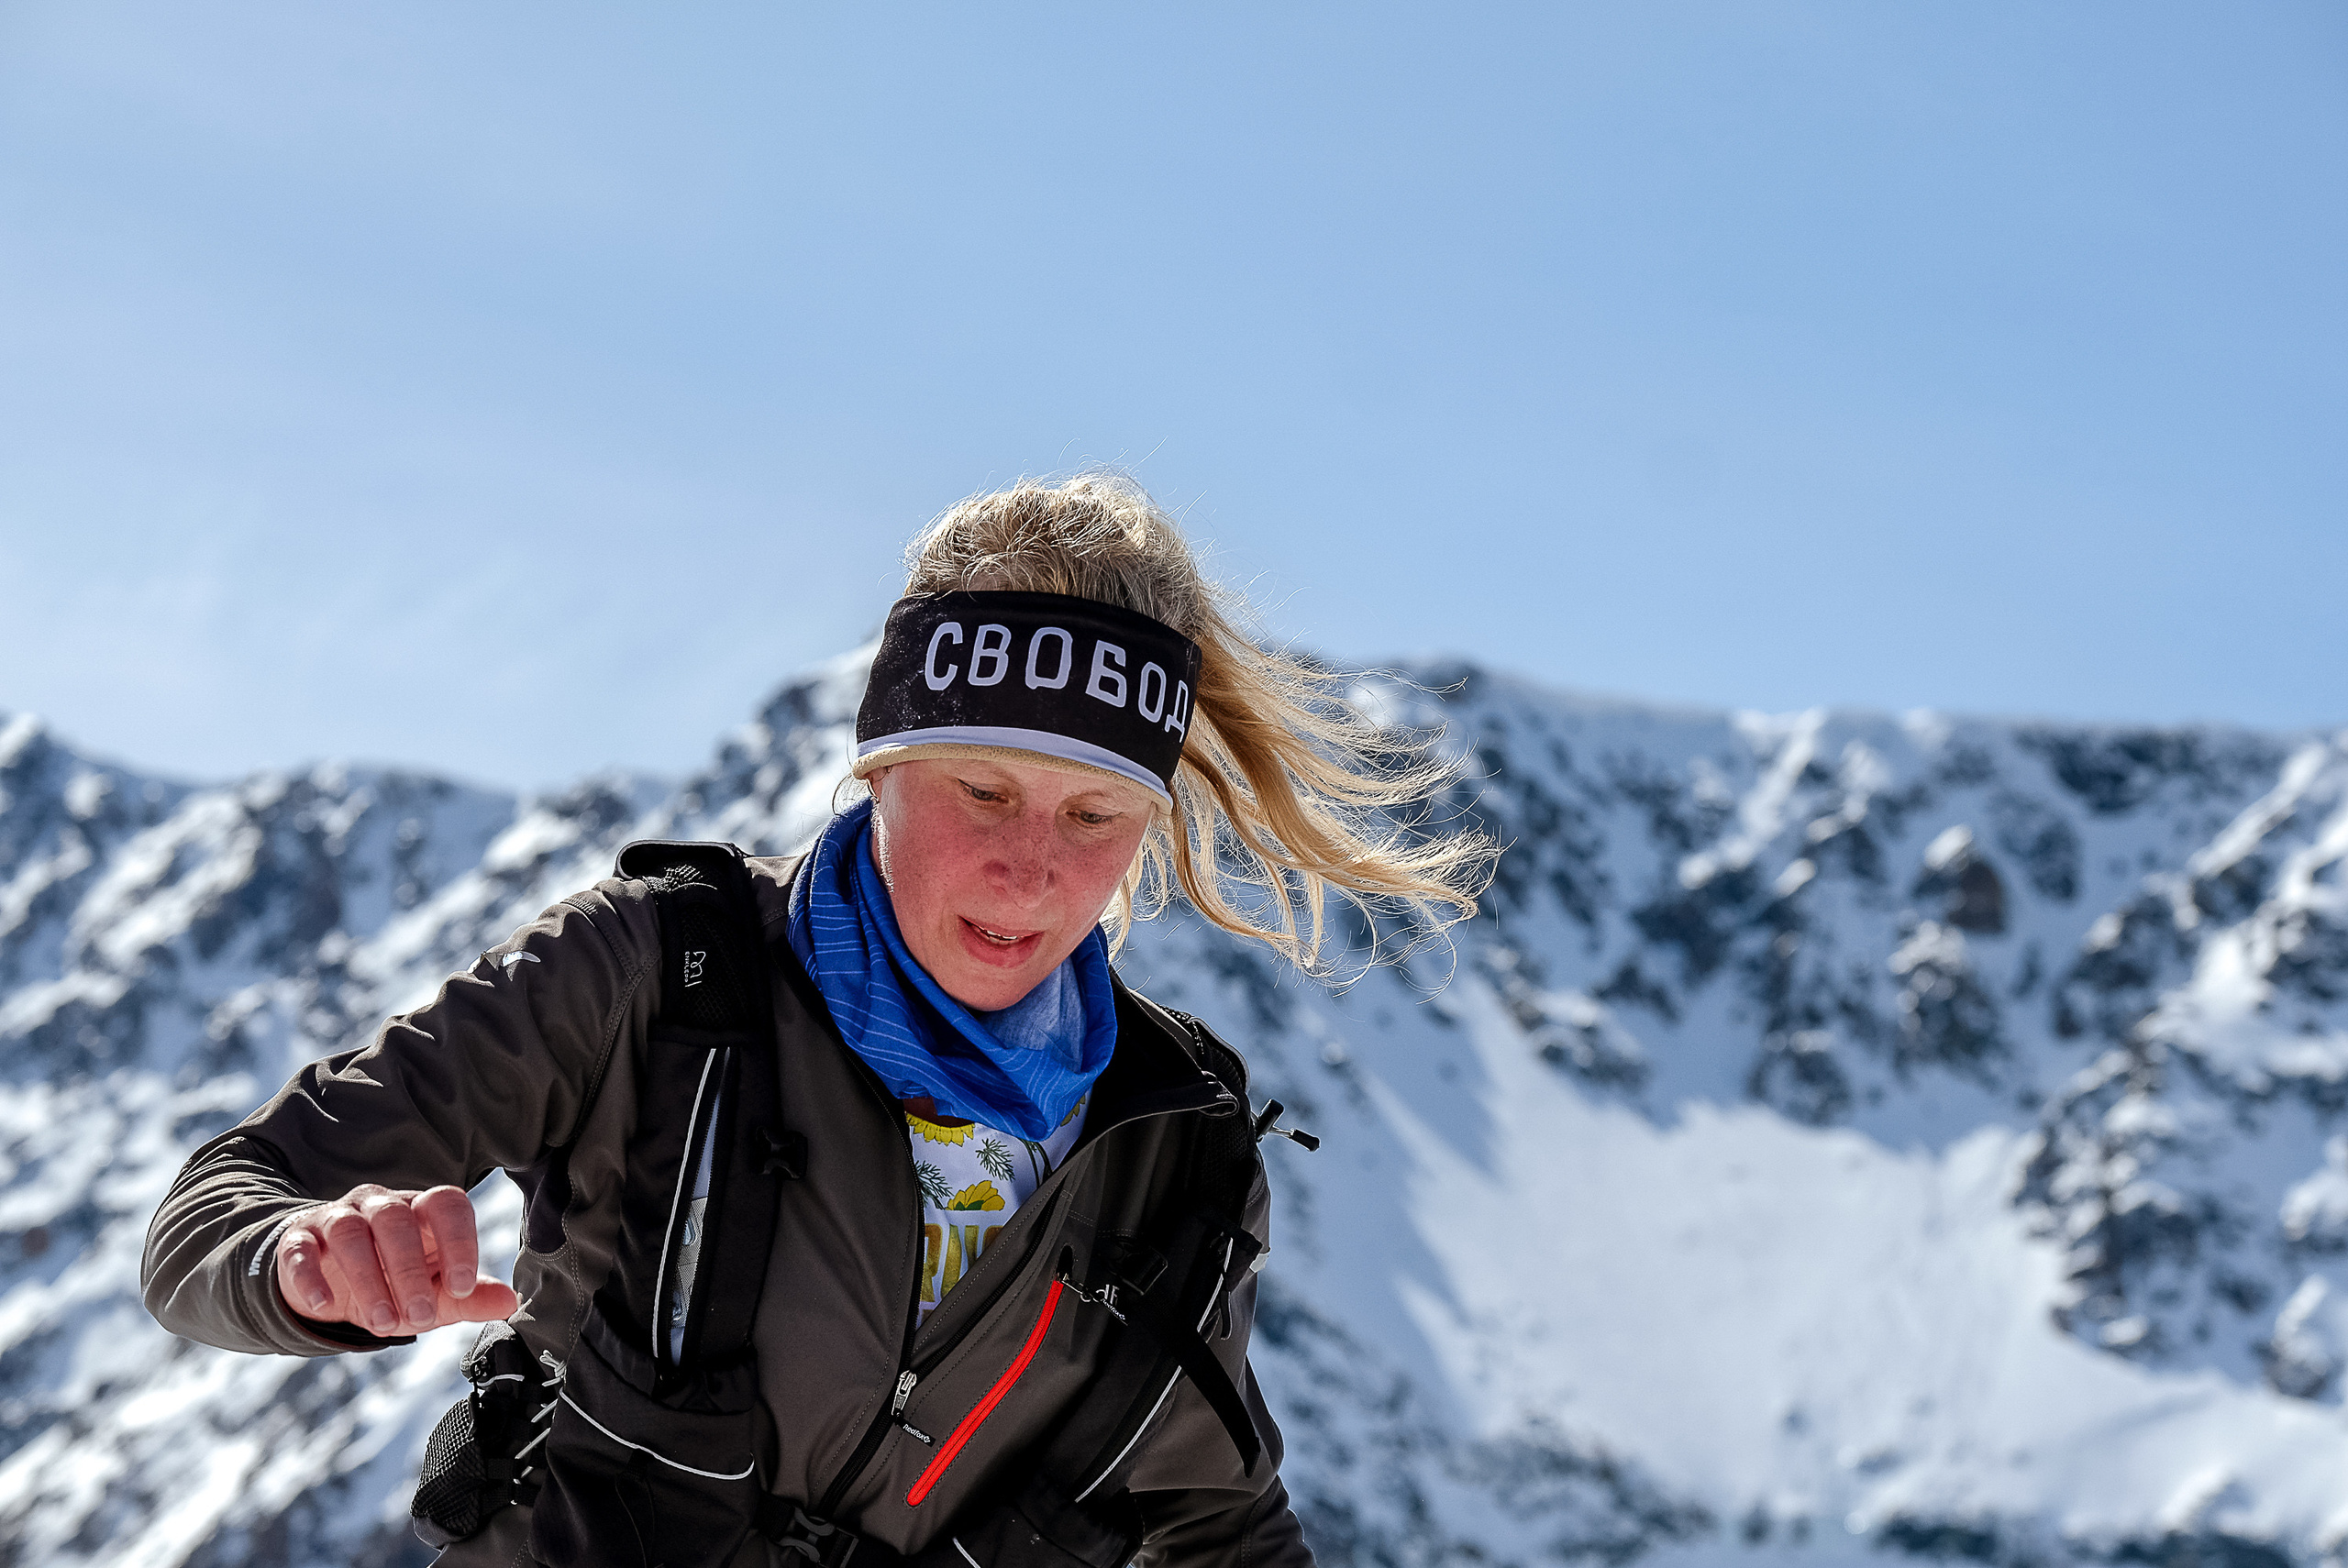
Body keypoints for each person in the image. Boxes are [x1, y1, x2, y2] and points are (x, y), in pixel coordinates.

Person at [141, 473, 1492, 1568]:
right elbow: (212, 1206)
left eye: (1094, 817)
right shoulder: (659, 980)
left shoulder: (1173, 1140)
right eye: (981, 791)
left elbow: (1214, 1522)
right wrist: (304, 1264)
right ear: (882, 765)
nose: (1031, 869)